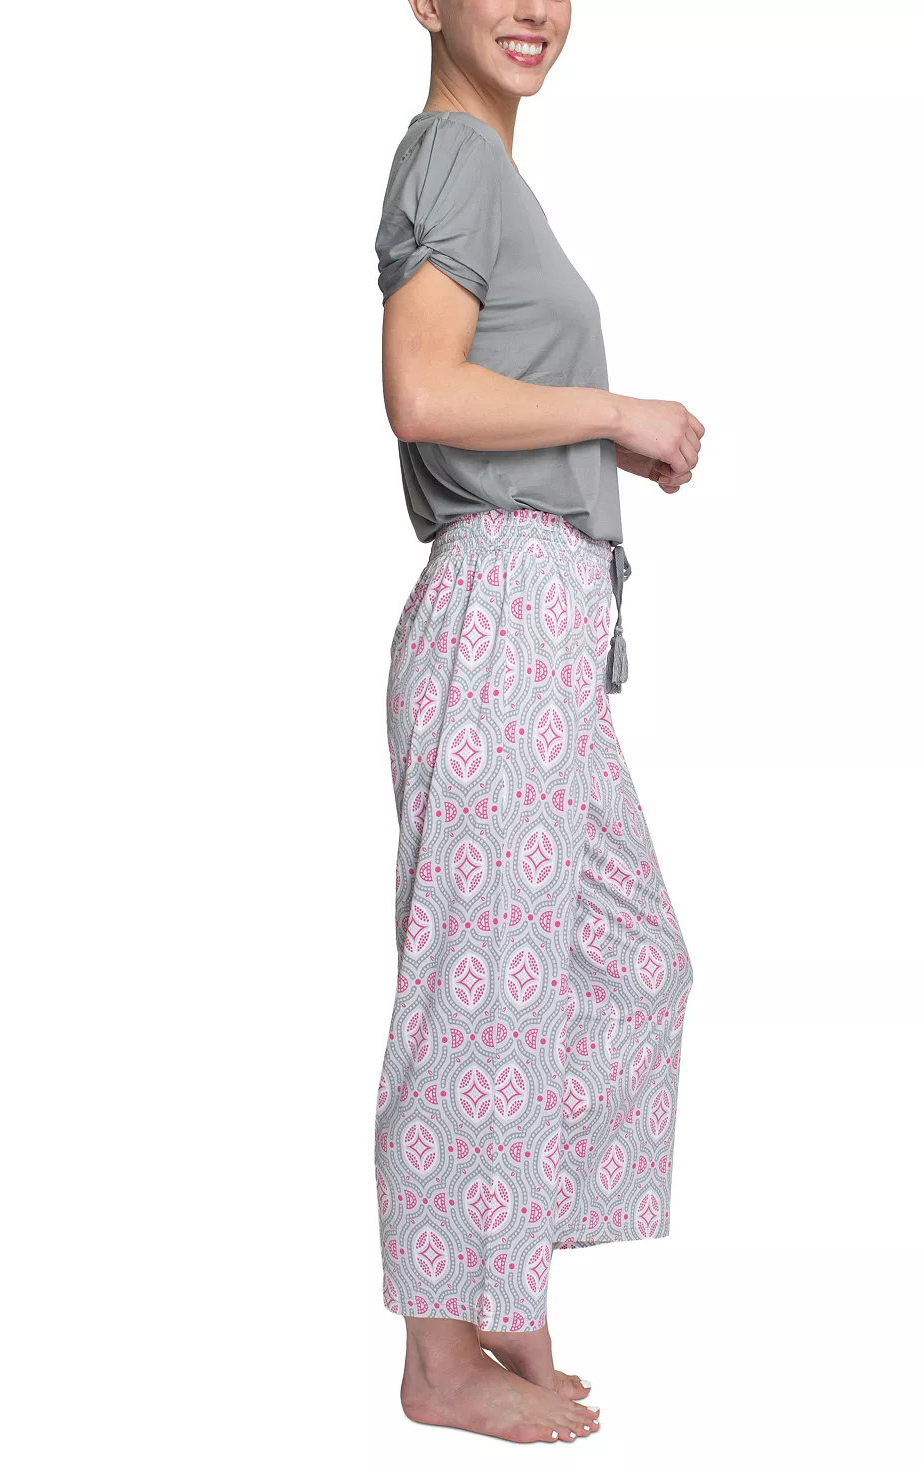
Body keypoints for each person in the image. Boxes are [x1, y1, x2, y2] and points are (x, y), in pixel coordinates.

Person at [372, 0, 704, 1444]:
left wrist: (597, 445)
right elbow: (420, 388)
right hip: (504, 603)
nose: (533, 8)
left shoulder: (496, 179)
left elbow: (471, 385)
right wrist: (616, 415)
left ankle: (494, 1271)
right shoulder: (453, 153)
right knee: (480, 984)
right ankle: (440, 1357)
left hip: (549, 624)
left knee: (632, 960)